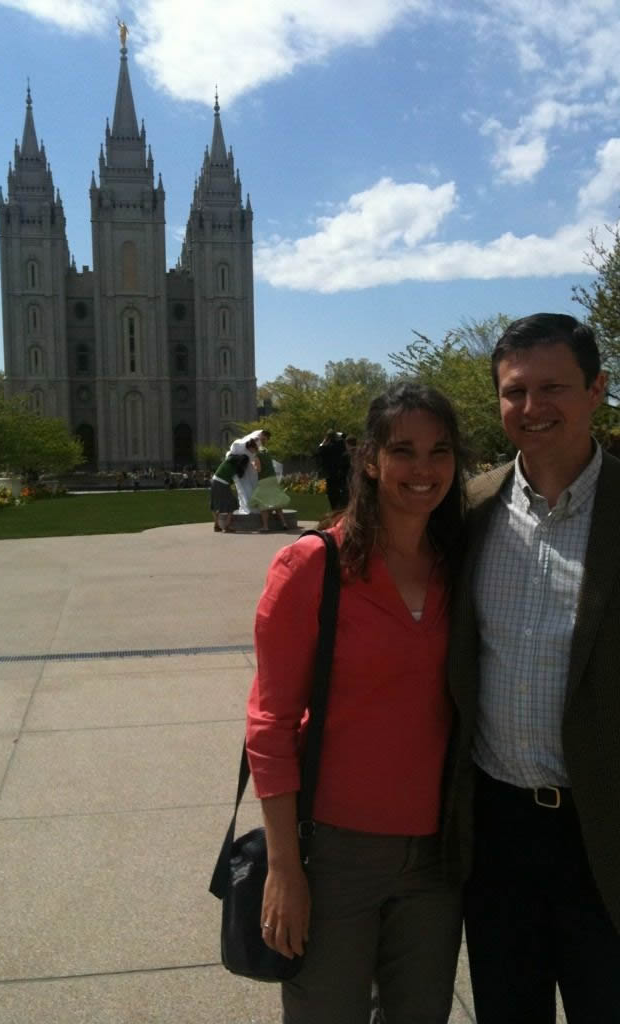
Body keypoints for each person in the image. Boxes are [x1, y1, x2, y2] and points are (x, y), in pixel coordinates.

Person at [445, 313, 620, 1024]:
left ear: (597, 390)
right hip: (498, 840)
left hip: (618, 838)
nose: (533, 407)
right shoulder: (469, 512)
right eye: (515, 391)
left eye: (553, 387)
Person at [247, 382, 466, 1023]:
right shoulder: (313, 566)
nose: (423, 469)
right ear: (369, 459)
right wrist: (284, 868)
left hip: (436, 856)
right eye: (403, 450)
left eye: (440, 450)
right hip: (335, 854)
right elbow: (270, 725)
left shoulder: (458, 565)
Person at [250, 429, 290, 532]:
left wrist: (253, 465)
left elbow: (259, 470)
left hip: (264, 480)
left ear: (253, 448)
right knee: (276, 502)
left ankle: (265, 526)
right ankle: (284, 523)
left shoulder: (257, 455)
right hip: (272, 478)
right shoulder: (266, 451)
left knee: (262, 503)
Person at [210, 452, 245, 533]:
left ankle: (216, 525)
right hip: (222, 483)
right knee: (232, 503)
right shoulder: (235, 468)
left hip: (214, 481)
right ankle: (227, 526)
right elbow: (236, 479)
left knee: (215, 504)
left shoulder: (228, 461)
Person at [315, 430, 351, 510]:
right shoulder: (340, 445)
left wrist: (324, 440)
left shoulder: (325, 448)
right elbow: (345, 436)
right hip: (340, 473)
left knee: (332, 495)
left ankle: (335, 509)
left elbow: (319, 451)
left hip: (330, 474)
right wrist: (338, 434)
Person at [226, 436, 260, 515]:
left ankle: (249, 506)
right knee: (243, 490)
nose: (254, 451)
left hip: (245, 473)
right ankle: (247, 506)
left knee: (247, 490)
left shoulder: (249, 453)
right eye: (254, 449)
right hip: (240, 473)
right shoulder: (238, 447)